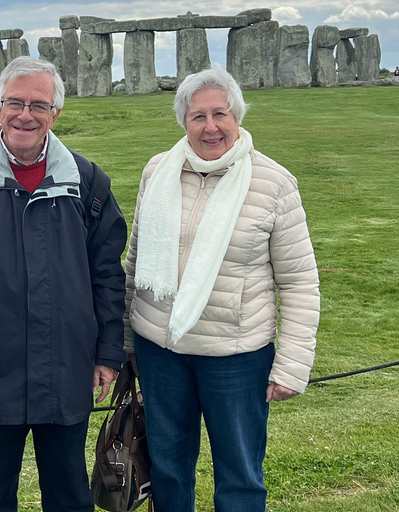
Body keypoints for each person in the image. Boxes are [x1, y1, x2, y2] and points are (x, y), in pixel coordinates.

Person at [0, 56, 128, 512]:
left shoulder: (88, 182)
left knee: (70, 494)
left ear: (56, 113)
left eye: (39, 104)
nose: (25, 114)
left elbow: (108, 277)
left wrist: (108, 352)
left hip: (67, 367)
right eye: (15, 102)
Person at [124, 65, 320, 512]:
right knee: (169, 468)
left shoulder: (273, 183)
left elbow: (300, 280)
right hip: (161, 349)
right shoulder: (158, 171)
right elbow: (134, 261)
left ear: (237, 117)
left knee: (240, 475)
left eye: (221, 114)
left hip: (236, 356)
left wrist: (291, 365)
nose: (210, 127)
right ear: (183, 121)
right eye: (198, 116)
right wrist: (125, 338)